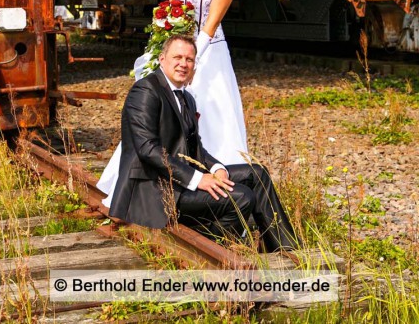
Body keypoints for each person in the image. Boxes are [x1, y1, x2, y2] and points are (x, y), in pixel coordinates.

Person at [98, 0, 248, 206]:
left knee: (205, 119)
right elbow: (170, 8)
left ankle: (219, 194)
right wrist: (161, 49)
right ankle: (155, 187)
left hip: (208, 56)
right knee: (162, 114)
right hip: (178, 52)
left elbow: (209, 25)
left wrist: (190, 62)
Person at [110, 35, 297, 252]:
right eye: (177, 57)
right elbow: (147, 149)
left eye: (189, 59)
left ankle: (286, 249)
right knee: (242, 197)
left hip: (177, 179)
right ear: (162, 59)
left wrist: (218, 169)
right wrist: (198, 179)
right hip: (154, 187)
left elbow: (194, 146)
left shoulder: (186, 97)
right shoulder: (145, 91)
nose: (183, 64)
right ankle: (212, 248)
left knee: (257, 174)